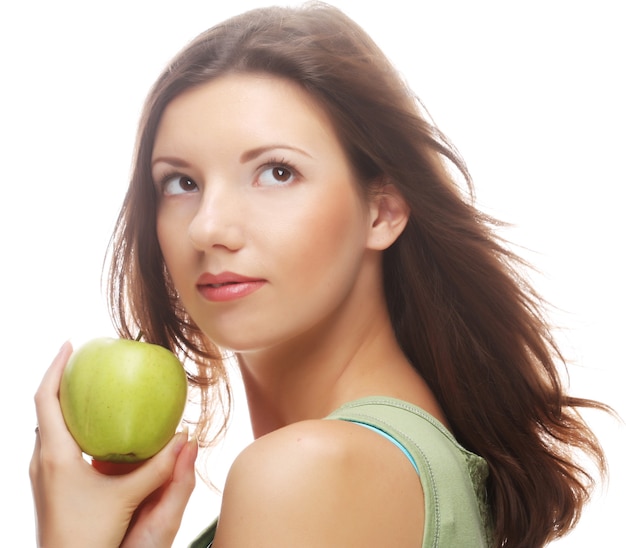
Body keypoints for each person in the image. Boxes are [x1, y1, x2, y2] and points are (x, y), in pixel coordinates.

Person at [30, 3, 613, 547]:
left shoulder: (305, 473)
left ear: (382, 209)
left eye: (277, 172)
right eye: (181, 182)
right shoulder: (403, 455)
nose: (207, 227)